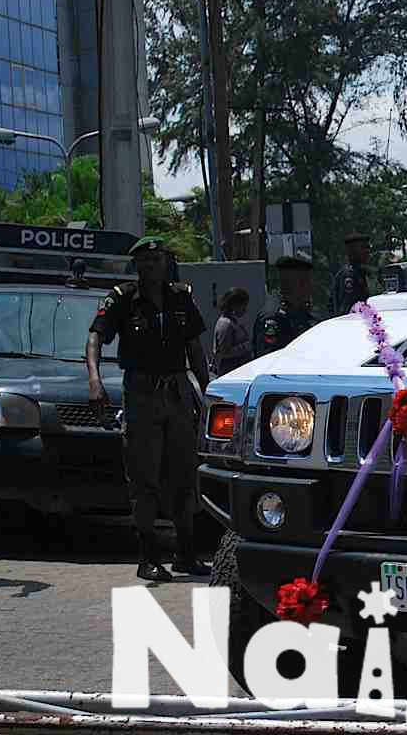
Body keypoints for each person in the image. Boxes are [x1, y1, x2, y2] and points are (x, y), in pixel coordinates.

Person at [87, 237, 212, 582]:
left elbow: (195, 348)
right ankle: (148, 557)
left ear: (165, 263)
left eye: (156, 260)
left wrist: (209, 390)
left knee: (185, 475)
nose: (151, 267)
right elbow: (96, 337)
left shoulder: (180, 298)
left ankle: (186, 554)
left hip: (177, 393)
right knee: (144, 479)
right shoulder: (123, 300)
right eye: (144, 261)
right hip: (141, 395)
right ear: (136, 266)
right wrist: (94, 380)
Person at [254, 251, 318, 357]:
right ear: (297, 284)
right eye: (307, 282)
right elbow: (268, 358)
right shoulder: (273, 316)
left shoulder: (302, 311)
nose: (311, 287)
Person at [212, 288, 253, 377]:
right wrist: (246, 346)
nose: (245, 309)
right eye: (243, 305)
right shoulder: (225, 324)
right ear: (234, 305)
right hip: (230, 371)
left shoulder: (234, 321)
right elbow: (225, 352)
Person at [330, 233, 372, 316]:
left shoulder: (360, 272)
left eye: (368, 247)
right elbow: (347, 308)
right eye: (363, 247)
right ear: (352, 251)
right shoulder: (349, 275)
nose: (367, 251)